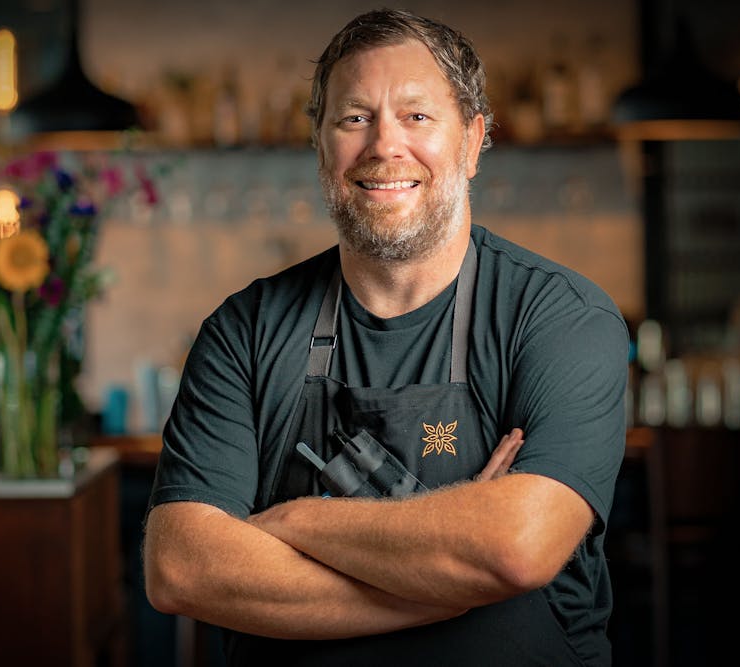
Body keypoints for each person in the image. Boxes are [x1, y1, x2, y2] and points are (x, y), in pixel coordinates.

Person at [144, 8, 627, 666]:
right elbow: (181, 566)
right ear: (321, 146)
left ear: (474, 140)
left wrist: (297, 521)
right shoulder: (244, 331)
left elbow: (517, 546)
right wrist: (450, 582)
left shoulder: (558, 317)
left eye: (417, 116)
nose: (383, 146)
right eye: (353, 118)